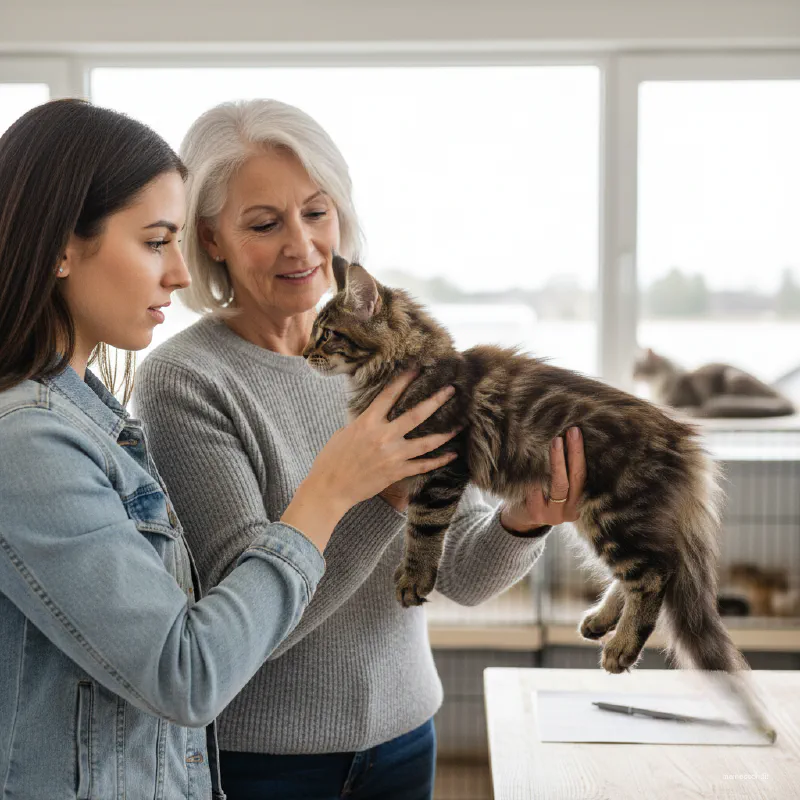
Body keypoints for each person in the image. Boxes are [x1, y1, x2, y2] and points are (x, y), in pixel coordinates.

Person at [0, 99, 459, 800]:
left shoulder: (89, 416)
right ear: (62, 248)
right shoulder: (31, 440)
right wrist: (335, 492)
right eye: (156, 241)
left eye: (316, 211)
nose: (179, 275)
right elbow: (190, 670)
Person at [134, 98, 587, 800]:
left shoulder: (396, 357)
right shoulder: (185, 381)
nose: (302, 246)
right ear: (211, 238)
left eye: (317, 213)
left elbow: (461, 572)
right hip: (265, 763)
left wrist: (523, 519)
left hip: (406, 739)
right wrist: (380, 496)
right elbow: (241, 634)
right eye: (264, 223)